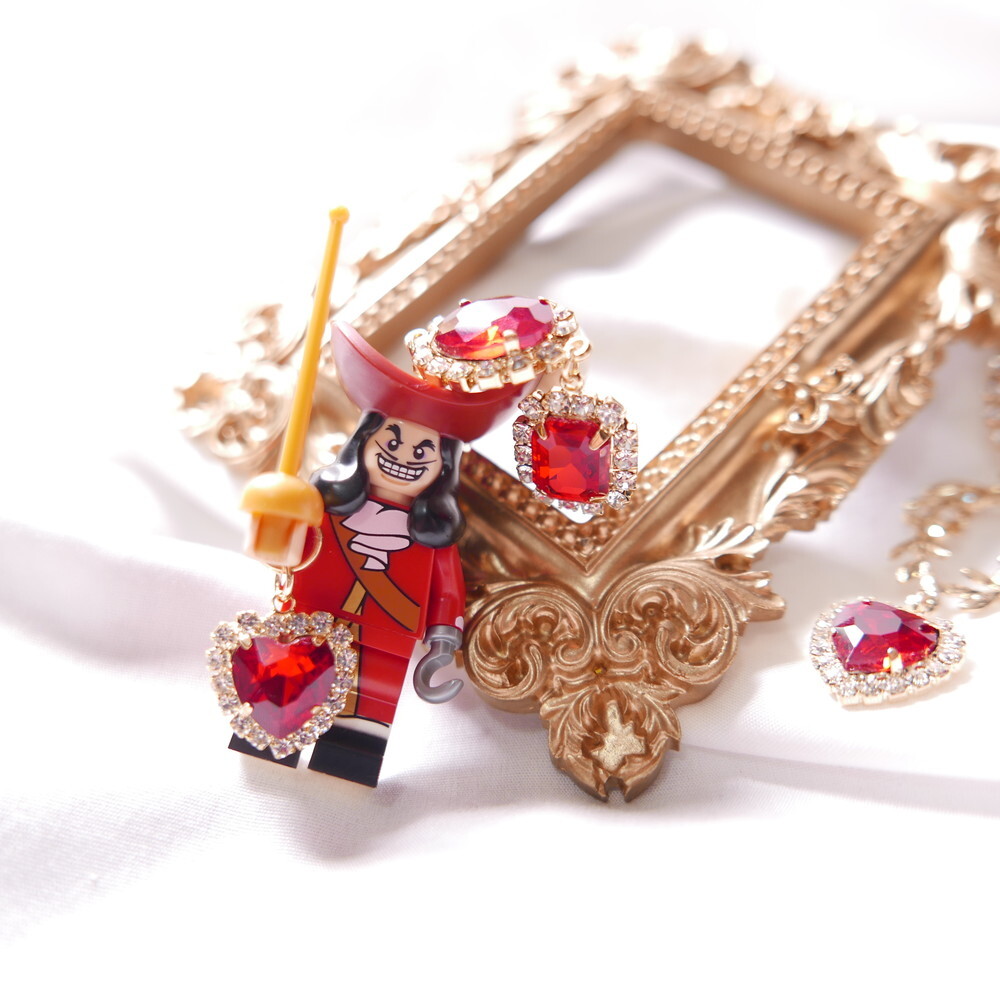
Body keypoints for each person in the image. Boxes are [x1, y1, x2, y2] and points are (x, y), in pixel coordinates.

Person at [231, 319, 524, 786]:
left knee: (368, 709)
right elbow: (288, 551)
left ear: (444, 466)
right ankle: (267, 739)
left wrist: (442, 640)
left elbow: (447, 592)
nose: (403, 456)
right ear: (363, 441)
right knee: (284, 695)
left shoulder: (432, 538)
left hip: (387, 633)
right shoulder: (323, 508)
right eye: (391, 440)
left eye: (423, 451)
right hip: (311, 616)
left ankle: (347, 760)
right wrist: (276, 523)